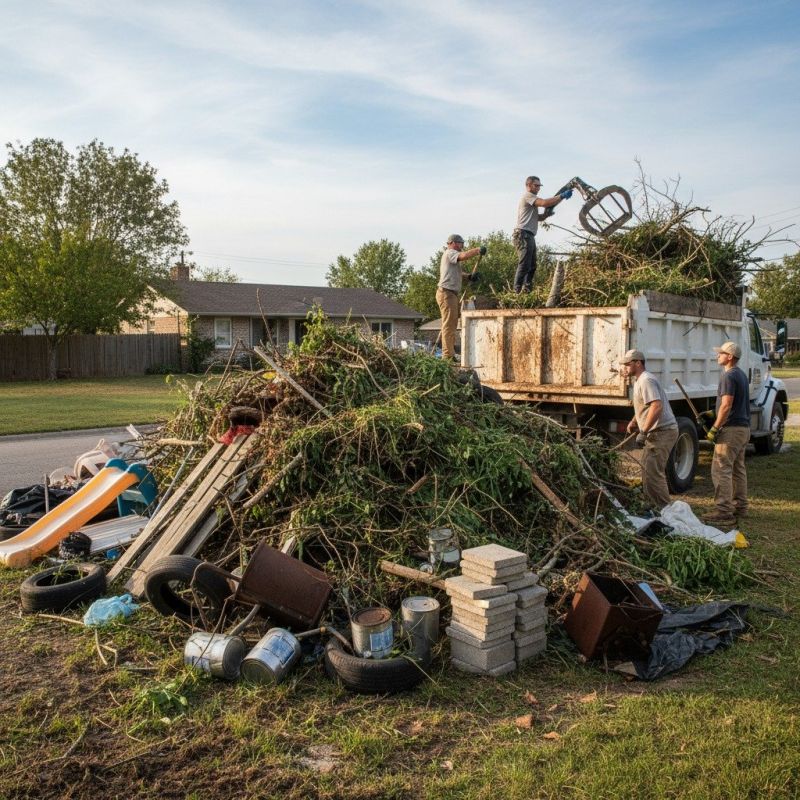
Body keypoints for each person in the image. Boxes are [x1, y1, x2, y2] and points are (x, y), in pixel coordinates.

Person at [621, 349, 679, 510]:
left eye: (627, 364)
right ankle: (652, 506)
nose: (625, 367)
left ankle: (665, 510)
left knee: (654, 472)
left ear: (638, 363)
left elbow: (656, 406)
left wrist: (643, 431)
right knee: (647, 469)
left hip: (663, 432)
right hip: (657, 432)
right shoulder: (639, 380)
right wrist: (634, 421)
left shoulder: (646, 380)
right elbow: (645, 406)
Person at [703, 341, 751, 528]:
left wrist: (715, 427)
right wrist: (712, 414)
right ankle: (740, 506)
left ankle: (723, 511)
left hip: (730, 430)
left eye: (721, 353)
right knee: (738, 469)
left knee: (721, 468)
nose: (718, 356)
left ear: (729, 357)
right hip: (743, 429)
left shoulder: (728, 376)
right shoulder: (740, 374)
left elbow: (727, 405)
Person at [512, 176, 572, 293]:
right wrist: (562, 196)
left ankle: (526, 290)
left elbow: (537, 218)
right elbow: (544, 203)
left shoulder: (531, 200)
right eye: (536, 185)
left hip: (529, 235)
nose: (539, 188)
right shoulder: (528, 196)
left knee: (532, 265)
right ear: (529, 185)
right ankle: (517, 291)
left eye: (539, 186)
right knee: (524, 264)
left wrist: (546, 215)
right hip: (523, 234)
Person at [436, 234, 485, 360]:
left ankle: (449, 353)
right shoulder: (450, 252)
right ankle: (447, 356)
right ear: (452, 243)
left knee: (451, 324)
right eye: (460, 243)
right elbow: (463, 256)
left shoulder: (451, 256)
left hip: (450, 294)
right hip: (446, 293)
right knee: (449, 325)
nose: (462, 246)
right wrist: (477, 250)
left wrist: (469, 276)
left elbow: (457, 273)